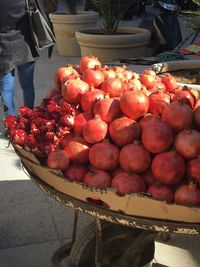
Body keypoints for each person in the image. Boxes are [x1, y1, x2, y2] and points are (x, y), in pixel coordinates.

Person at [0, 0, 51, 116]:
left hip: (3, 48)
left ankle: (10, 122)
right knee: (27, 85)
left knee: (6, 88)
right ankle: (29, 116)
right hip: (25, 44)